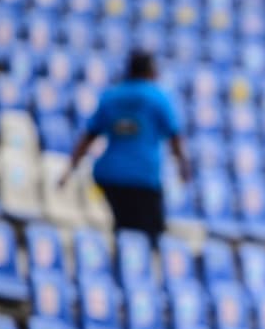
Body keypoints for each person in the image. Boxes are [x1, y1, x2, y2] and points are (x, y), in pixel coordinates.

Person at [62, 49, 191, 242]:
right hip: (143, 177)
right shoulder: (157, 97)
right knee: (150, 236)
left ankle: (121, 264)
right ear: (151, 71)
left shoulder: (111, 96)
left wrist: (69, 170)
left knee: (124, 227)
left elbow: (88, 136)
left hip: (110, 175)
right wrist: (183, 168)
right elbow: (175, 137)